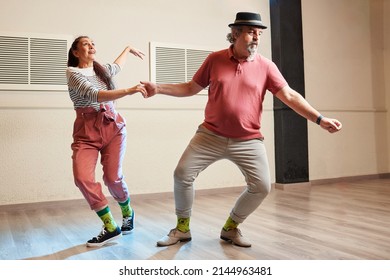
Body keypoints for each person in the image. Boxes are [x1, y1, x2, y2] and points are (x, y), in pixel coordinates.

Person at [141, 12, 342, 247]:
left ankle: (231, 228)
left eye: (259, 33)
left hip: (248, 140)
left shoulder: (267, 66)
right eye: (250, 32)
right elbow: (190, 87)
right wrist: (158, 88)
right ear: (235, 34)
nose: (256, 37)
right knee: (182, 174)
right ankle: (182, 228)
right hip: (210, 135)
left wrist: (319, 119)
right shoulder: (215, 60)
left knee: (261, 187)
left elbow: (289, 95)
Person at [66, 36, 147, 247]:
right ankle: (110, 226)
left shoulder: (102, 69)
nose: (91, 45)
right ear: (75, 52)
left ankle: (127, 211)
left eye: (92, 43)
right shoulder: (73, 73)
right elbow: (95, 95)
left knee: (113, 179)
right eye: (85, 43)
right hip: (86, 130)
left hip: (113, 127)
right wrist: (129, 90)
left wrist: (128, 48)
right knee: (82, 177)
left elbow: (117, 66)